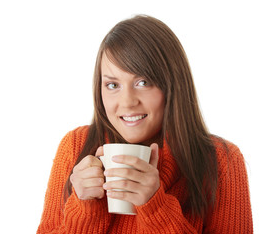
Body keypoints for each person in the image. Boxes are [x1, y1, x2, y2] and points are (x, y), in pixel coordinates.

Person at [37, 15, 253, 233]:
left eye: (143, 82)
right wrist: (85, 209)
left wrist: (155, 207)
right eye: (113, 85)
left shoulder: (221, 161)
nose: (128, 102)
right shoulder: (76, 146)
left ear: (173, 85)